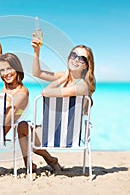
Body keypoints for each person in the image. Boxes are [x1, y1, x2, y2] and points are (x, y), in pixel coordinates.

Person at [17, 35, 95, 173]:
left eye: (81, 58)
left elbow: (46, 92)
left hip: (64, 135)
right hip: (53, 131)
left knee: (28, 135)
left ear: (86, 66)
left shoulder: (82, 86)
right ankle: (39, 163)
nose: (76, 59)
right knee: (23, 127)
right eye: (74, 55)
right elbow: (37, 72)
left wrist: (61, 79)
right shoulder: (66, 77)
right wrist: (36, 52)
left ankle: (49, 160)